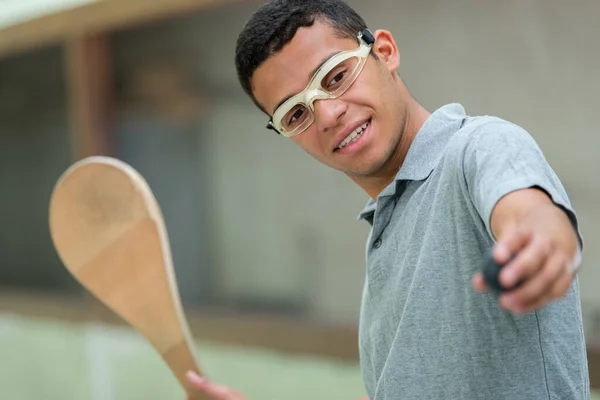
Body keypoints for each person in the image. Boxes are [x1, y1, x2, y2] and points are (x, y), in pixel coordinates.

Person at [184, 0, 589, 398]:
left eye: (335, 76)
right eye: (295, 114)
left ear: (384, 52)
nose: (327, 116)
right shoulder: (386, 225)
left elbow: (530, 213)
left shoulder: (478, 148)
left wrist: (544, 244)